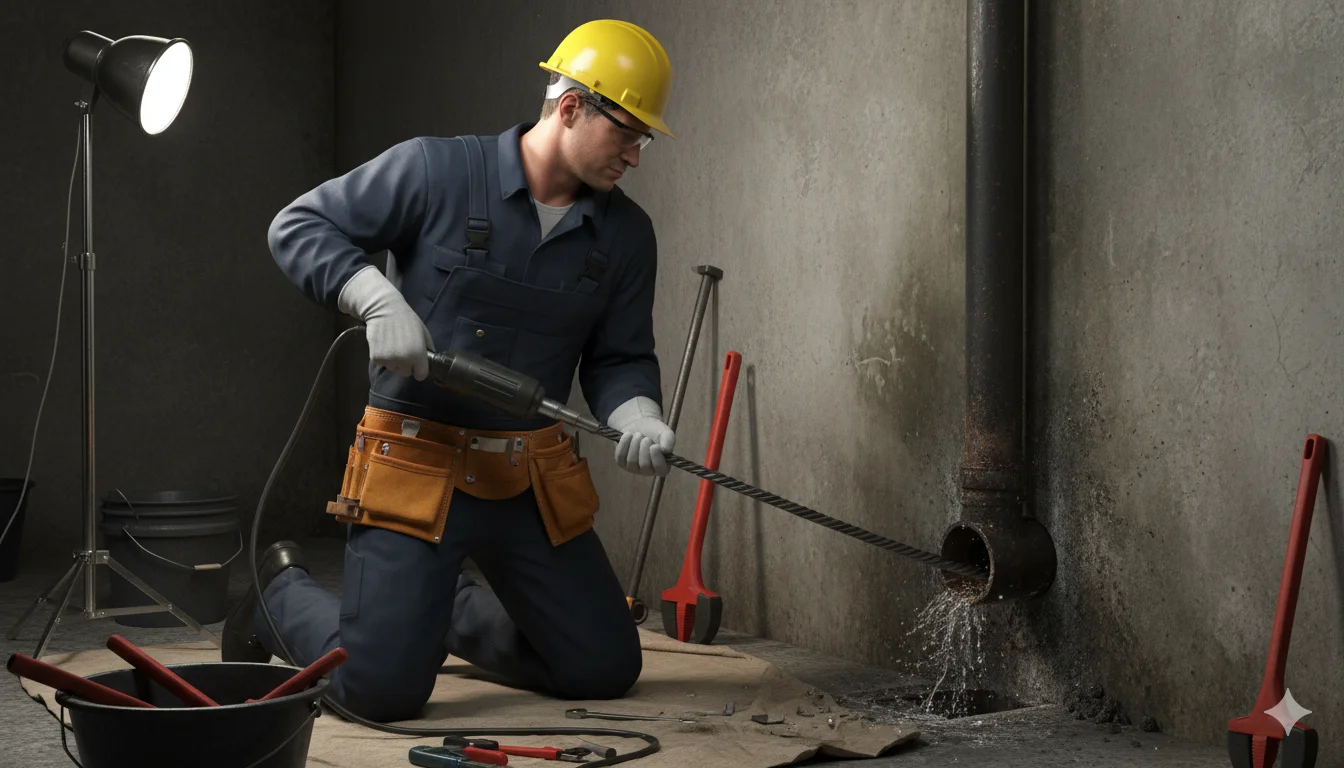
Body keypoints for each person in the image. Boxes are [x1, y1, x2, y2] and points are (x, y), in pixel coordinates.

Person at [222, 19, 678, 722]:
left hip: (527, 480)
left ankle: (447, 610)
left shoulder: (625, 236)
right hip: (416, 469)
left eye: (643, 139)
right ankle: (274, 597)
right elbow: (300, 225)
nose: (635, 155)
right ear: (570, 107)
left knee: (603, 667)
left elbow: (618, 358)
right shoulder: (436, 170)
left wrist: (637, 413)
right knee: (379, 692)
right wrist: (374, 298)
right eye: (627, 133)